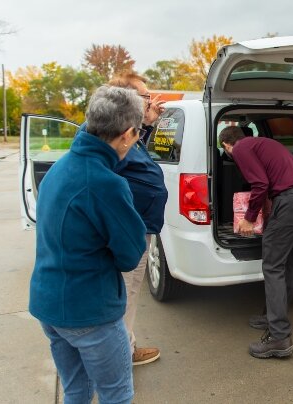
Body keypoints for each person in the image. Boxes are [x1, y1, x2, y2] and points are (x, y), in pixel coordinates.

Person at [29, 86, 148, 403]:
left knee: (77, 391)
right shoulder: (106, 184)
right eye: (137, 135)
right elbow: (130, 255)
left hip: (48, 305)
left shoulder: (60, 167)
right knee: (117, 394)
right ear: (126, 135)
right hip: (89, 313)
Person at [218, 126, 293, 359]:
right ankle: (273, 316)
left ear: (227, 145)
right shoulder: (263, 143)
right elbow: (271, 180)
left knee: (272, 267)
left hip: (289, 203)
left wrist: (249, 219)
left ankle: (279, 337)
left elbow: (260, 183)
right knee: (288, 263)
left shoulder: (240, 148)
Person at [103, 71, 168, 365]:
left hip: (139, 226)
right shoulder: (113, 139)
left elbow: (135, 155)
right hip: (131, 230)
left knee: (129, 295)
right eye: (144, 95)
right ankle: (121, 358)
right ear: (127, 99)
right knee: (126, 296)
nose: (149, 99)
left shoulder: (127, 133)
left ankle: (126, 347)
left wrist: (147, 124)